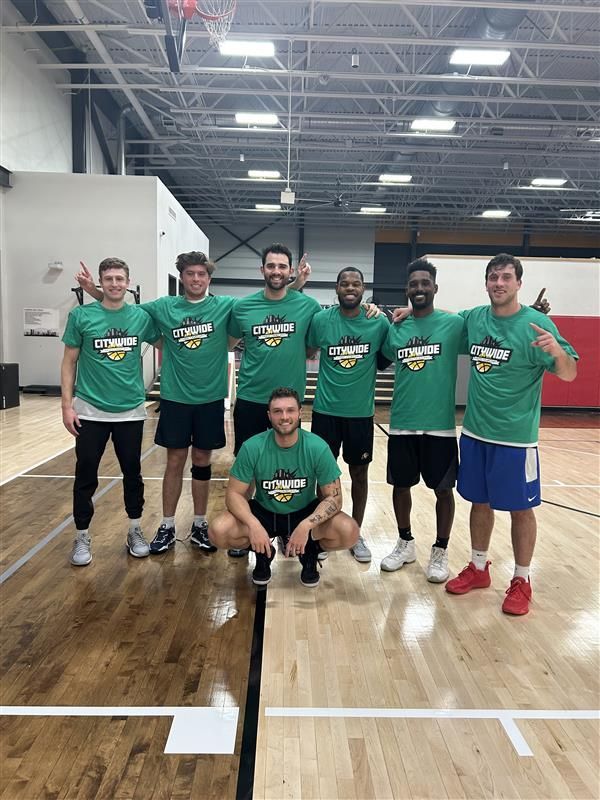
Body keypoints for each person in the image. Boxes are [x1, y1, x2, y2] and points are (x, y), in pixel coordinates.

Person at [76, 252, 235, 555]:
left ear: (209, 278)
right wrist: (94, 291)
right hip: (175, 398)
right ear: (182, 278)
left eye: (202, 274)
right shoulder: (163, 307)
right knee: (175, 461)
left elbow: (267, 301)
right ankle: (168, 525)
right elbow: (120, 306)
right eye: (190, 274)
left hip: (211, 398)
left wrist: (296, 283)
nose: (196, 279)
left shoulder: (224, 306)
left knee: (202, 461)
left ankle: (200, 524)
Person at [445, 253, 578, 615]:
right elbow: (438, 325)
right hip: (474, 433)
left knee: (521, 510)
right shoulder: (474, 318)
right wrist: (410, 313)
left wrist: (557, 353)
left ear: (519, 283)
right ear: (486, 282)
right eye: (493, 277)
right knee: (478, 501)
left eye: (506, 277)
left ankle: (522, 578)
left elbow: (569, 374)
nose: (499, 283)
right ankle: (478, 567)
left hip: (516, 440)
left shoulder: (536, 324)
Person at [61, 257, 160, 566]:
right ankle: (81, 536)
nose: (115, 283)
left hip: (129, 411)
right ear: (101, 282)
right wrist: (66, 405)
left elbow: (169, 344)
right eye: (109, 278)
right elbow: (69, 363)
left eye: (120, 278)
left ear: (128, 283)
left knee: (132, 472)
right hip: (89, 410)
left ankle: (134, 529)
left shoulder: (141, 318)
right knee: (85, 475)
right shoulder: (81, 316)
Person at [208, 388, 359, 587]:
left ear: (299, 413)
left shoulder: (317, 447)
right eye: (278, 411)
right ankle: (263, 553)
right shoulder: (253, 446)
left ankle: (310, 551)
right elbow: (234, 494)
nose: (284, 417)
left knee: (349, 531)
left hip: (303, 512)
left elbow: (335, 498)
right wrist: (254, 526)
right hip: (265, 512)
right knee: (218, 531)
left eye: (290, 410)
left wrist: (307, 526)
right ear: (269, 416)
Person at [379, 259, 466, 582]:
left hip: (439, 425)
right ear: (407, 290)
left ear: (435, 288)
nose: (419, 288)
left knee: (443, 491)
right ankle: (405, 543)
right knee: (401, 486)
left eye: (424, 283)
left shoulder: (454, 324)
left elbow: (496, 322)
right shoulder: (397, 329)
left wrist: (534, 311)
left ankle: (440, 550)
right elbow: (381, 358)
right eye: (413, 284)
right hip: (402, 421)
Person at [307, 267, 390, 563]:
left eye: (356, 283)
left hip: (359, 414)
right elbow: (309, 349)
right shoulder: (321, 320)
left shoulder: (377, 323)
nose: (350, 288)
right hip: (325, 411)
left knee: (359, 474)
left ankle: (355, 532)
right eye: (345, 283)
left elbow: (385, 359)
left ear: (363, 288)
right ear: (337, 288)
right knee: (324, 476)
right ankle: (322, 529)